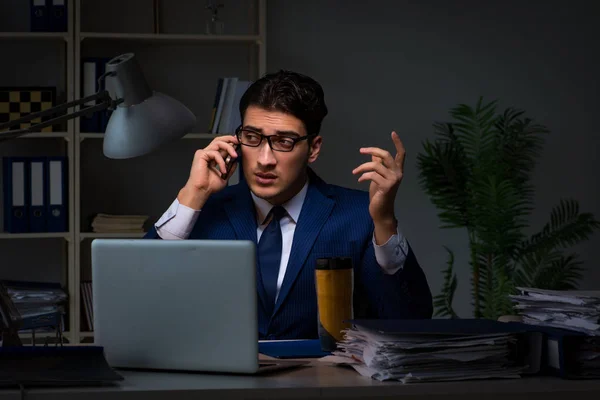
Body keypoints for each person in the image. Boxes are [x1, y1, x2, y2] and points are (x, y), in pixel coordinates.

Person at [144, 70, 433, 340]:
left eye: (284, 141)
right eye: (253, 138)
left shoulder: (359, 215)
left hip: (323, 388)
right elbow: (140, 298)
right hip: (222, 388)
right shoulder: (202, 210)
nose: (264, 159)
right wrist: (192, 194)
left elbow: (409, 322)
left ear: (313, 148)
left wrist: (384, 223)